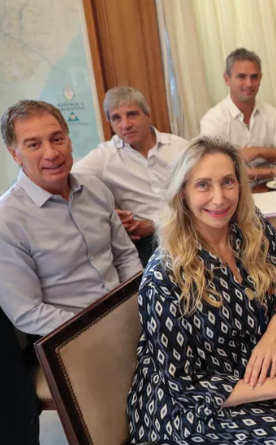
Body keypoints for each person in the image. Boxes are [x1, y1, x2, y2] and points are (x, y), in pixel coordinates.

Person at [128, 136, 276, 444]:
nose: (219, 199)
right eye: (203, 185)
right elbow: (185, 387)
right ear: (182, 193)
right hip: (190, 410)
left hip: (247, 378)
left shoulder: (248, 227)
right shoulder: (162, 278)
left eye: (227, 182)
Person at [0, 100, 142, 444]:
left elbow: (126, 257)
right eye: (34, 144)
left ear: (69, 139)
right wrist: (99, 332)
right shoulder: (7, 220)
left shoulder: (95, 189)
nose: (51, 153)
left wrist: (140, 306)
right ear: (15, 154)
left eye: (57, 138)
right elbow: (27, 312)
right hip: (71, 338)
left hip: (125, 315)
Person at [73, 86, 189, 266]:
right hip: (149, 243)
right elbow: (66, 181)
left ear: (147, 115)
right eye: (116, 118)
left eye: (132, 114)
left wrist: (153, 224)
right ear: (110, 123)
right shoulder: (105, 156)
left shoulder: (179, 147)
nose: (125, 124)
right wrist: (107, 216)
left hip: (187, 226)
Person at [201, 48, 276, 183]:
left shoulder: (271, 114)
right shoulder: (213, 120)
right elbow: (216, 168)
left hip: (273, 188)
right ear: (227, 79)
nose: (249, 84)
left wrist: (259, 151)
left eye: (254, 77)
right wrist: (271, 172)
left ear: (260, 78)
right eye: (241, 77)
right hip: (234, 193)